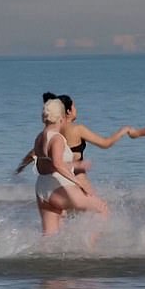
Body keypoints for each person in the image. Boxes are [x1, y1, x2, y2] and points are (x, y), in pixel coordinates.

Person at [17, 92, 130, 195]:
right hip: (77, 177)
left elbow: (34, 153)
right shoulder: (78, 129)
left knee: (64, 215)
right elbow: (105, 143)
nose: (76, 109)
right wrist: (123, 131)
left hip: (56, 180)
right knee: (100, 210)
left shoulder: (51, 132)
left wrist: (20, 168)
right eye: (74, 106)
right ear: (68, 111)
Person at [32, 98, 108, 236]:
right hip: (57, 187)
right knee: (102, 208)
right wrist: (79, 182)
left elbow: (45, 165)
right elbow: (57, 164)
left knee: (49, 238)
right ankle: (88, 249)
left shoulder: (39, 138)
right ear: (61, 118)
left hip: (42, 188)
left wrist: (75, 165)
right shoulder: (57, 138)